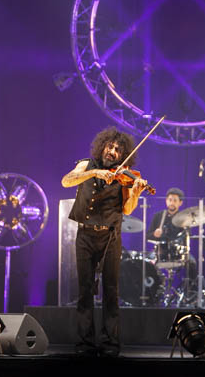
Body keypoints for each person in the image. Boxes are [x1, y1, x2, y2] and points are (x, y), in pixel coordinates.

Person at [62, 127, 147, 357]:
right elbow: (66, 181)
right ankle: (85, 344)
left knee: (111, 291)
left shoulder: (125, 175)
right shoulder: (86, 165)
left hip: (110, 236)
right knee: (85, 291)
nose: (112, 151)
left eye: (118, 150)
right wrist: (94, 174)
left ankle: (110, 344)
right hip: (85, 236)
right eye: (110, 146)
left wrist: (136, 192)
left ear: (123, 154)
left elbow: (127, 209)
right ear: (102, 146)